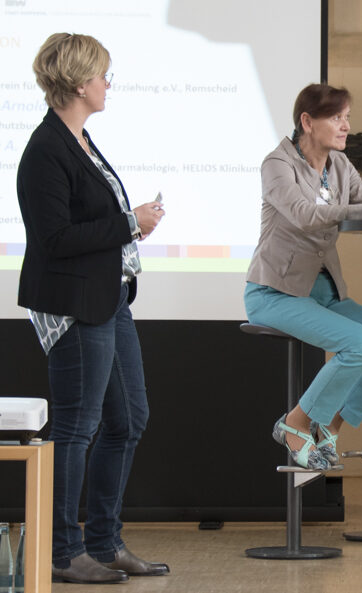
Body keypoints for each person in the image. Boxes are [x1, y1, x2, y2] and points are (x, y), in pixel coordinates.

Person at [17, 33, 168, 584]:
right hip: (75, 305)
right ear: (80, 83)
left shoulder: (79, 140)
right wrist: (130, 223)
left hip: (107, 297)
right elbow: (54, 238)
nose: (108, 83)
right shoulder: (46, 149)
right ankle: (62, 552)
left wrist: (130, 224)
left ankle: (104, 544)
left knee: (128, 420)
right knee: (77, 427)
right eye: (103, 74)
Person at [244, 84, 362, 472]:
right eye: (337, 118)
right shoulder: (277, 164)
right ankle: (294, 424)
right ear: (307, 122)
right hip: (275, 293)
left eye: (347, 117)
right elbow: (304, 214)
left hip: (325, 293)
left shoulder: (339, 164)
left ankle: (328, 427)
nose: (346, 126)